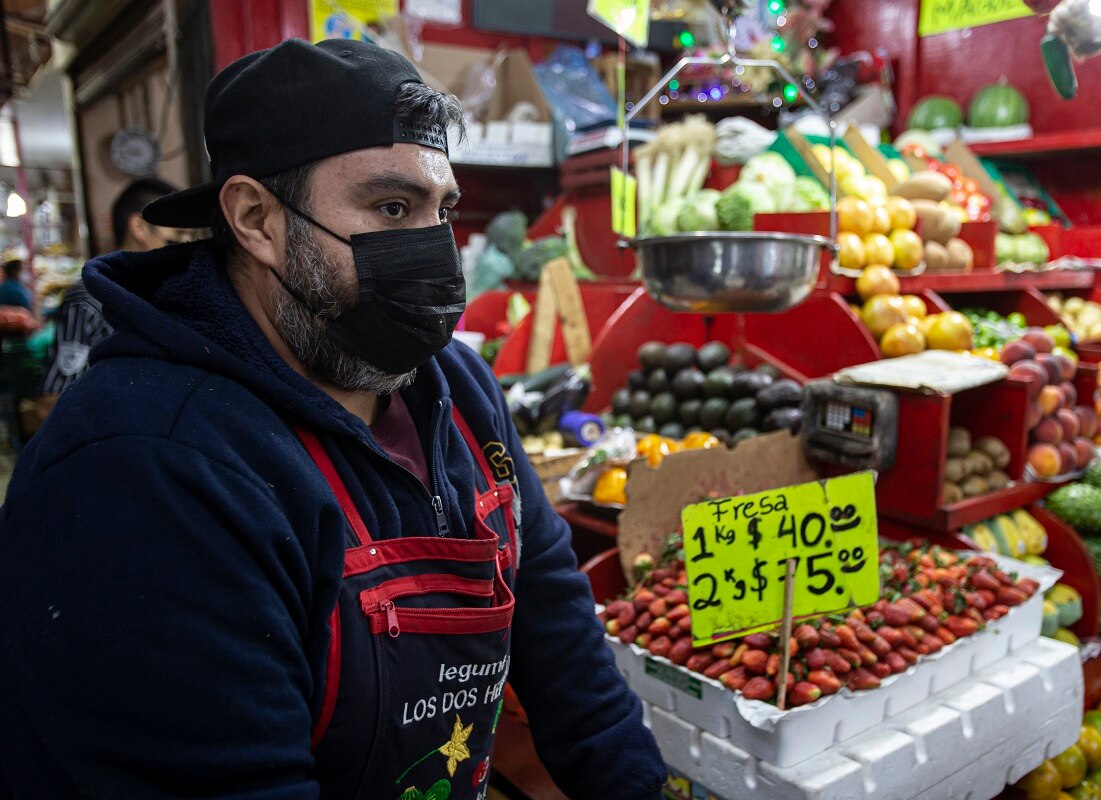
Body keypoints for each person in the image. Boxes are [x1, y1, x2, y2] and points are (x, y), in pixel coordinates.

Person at [0, 38, 665, 799]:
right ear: (254, 218)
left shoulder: (461, 389)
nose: (432, 251)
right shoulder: (146, 468)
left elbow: (569, 660)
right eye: (390, 207)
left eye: (438, 209)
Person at [40, 178, 185, 394]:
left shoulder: (171, 293)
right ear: (138, 227)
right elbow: (54, 398)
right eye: (173, 242)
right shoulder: (89, 299)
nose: (184, 251)